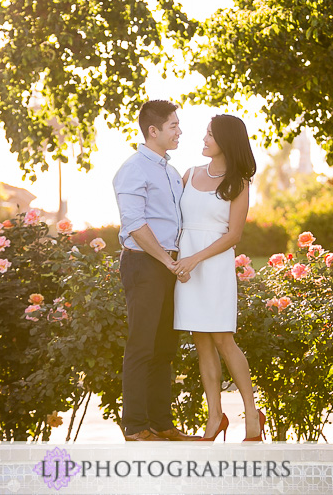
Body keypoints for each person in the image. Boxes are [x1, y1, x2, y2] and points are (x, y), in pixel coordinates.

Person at [173, 114, 265, 442]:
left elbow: (234, 235)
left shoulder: (239, 183)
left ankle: (252, 415)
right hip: (186, 268)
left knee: (224, 340)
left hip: (212, 266)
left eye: (210, 134)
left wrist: (195, 259)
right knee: (201, 343)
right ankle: (215, 417)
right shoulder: (189, 174)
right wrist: (176, 262)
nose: (204, 139)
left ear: (226, 141)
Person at [112, 100, 198, 441]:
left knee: (164, 348)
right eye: (173, 126)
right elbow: (134, 224)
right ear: (153, 131)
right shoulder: (134, 169)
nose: (179, 131)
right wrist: (166, 261)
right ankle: (135, 427)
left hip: (168, 264)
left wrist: (177, 261)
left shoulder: (170, 171)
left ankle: (162, 424)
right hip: (144, 264)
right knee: (141, 346)